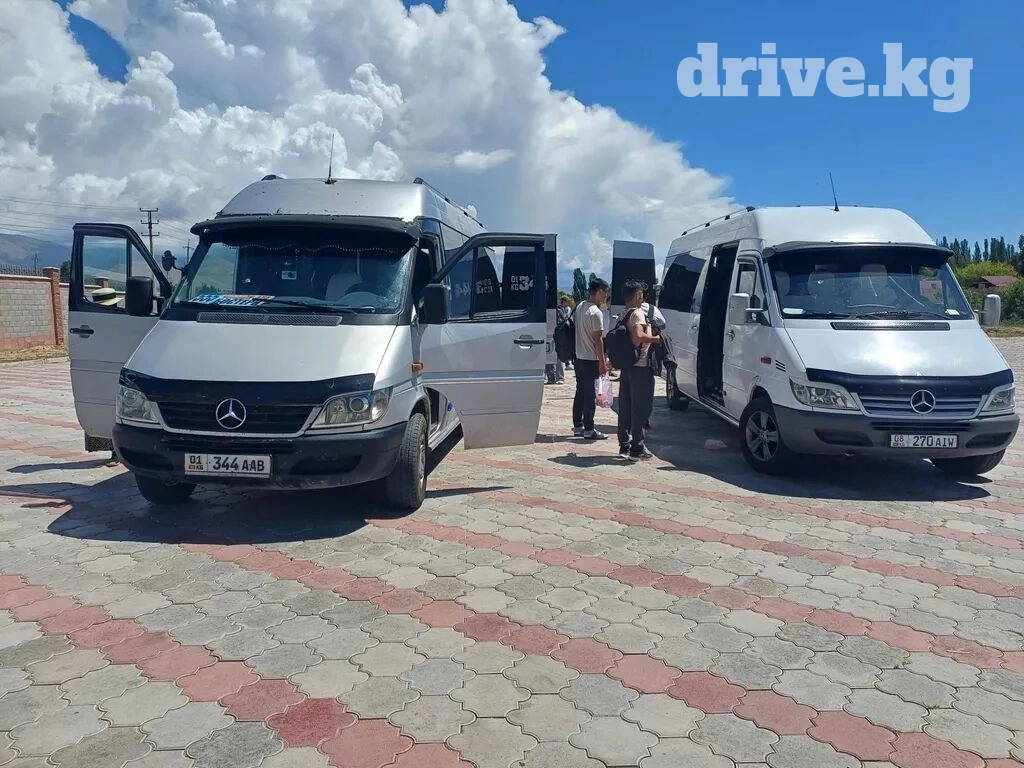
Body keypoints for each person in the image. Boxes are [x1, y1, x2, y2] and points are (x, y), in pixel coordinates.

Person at [617, 279, 663, 460]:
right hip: (641, 367)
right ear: (637, 295)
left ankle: (624, 446)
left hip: (626, 367)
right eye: (641, 294)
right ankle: (637, 448)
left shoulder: (623, 313)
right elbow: (638, 336)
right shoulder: (637, 313)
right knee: (641, 408)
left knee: (625, 407)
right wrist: (657, 339)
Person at [572, 277, 610, 439]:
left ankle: (577, 425)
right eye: (605, 293)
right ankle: (589, 429)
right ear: (599, 291)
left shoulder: (580, 306)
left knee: (580, 392)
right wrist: (602, 362)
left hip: (578, 356)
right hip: (590, 359)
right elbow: (598, 341)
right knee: (590, 395)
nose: (605, 297)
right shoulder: (596, 312)